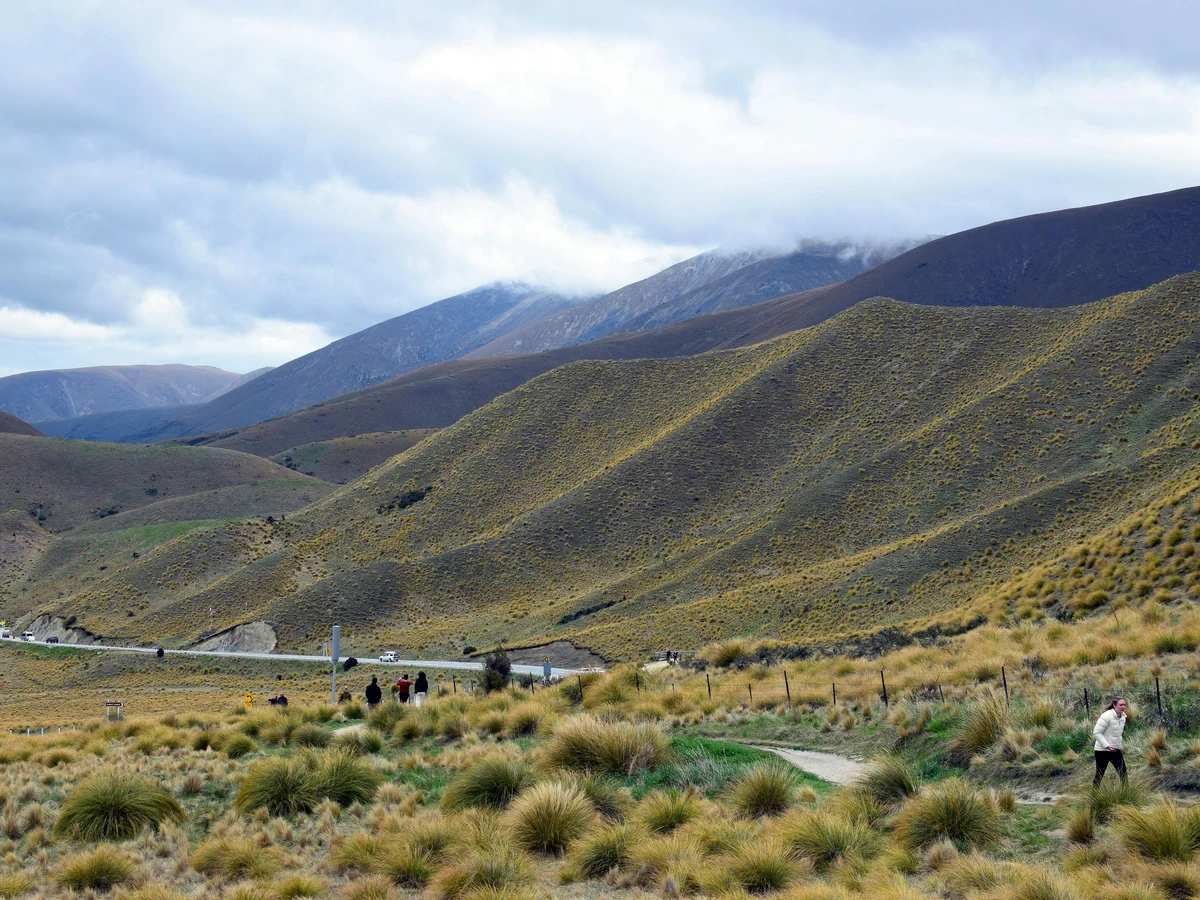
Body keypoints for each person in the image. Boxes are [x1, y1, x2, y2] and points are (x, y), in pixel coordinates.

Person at [1093, 697, 1129, 785]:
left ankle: (1126, 796)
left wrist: (1118, 746)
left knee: (1123, 773)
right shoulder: (1106, 716)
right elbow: (1096, 732)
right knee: (1099, 774)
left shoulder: (1123, 717)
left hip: (1116, 750)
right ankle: (1094, 796)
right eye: (1121, 705)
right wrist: (1107, 746)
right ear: (1114, 705)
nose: (1123, 707)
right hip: (1102, 751)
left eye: (1124, 705)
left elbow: (1117, 734)